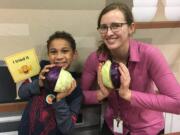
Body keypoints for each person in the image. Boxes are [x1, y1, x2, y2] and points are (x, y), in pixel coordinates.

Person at [81, 2, 180, 135]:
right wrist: (100, 94)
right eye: (104, 27)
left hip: (147, 129)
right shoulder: (95, 59)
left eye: (116, 26)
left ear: (131, 27)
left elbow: (177, 103)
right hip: (113, 126)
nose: (109, 33)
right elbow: (79, 97)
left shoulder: (149, 54)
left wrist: (129, 95)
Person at [18, 31, 83, 135]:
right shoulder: (39, 72)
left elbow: (68, 129)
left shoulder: (75, 90)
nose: (59, 57)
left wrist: (59, 99)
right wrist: (39, 83)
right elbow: (21, 93)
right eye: (53, 52)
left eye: (65, 51)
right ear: (48, 55)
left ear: (74, 54)